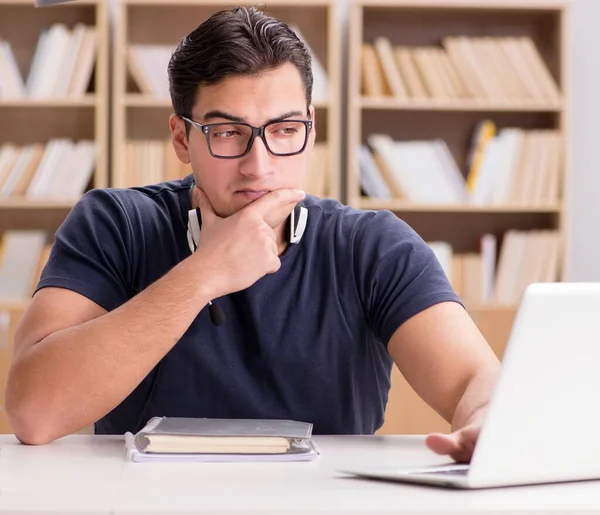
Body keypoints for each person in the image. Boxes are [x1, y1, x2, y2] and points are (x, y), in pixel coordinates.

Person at [6, 5, 500, 463]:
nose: (258, 166)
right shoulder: (115, 223)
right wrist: (205, 273)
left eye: (284, 131)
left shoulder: (371, 246)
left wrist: (486, 420)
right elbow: (33, 412)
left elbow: (475, 379)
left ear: (310, 128)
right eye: (227, 133)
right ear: (182, 137)